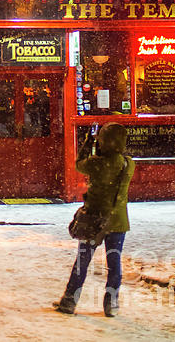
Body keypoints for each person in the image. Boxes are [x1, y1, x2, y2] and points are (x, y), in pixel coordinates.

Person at [54, 123, 136, 317]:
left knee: (83, 262)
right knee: (114, 261)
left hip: (95, 220)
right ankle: (111, 303)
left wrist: (88, 142)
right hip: (118, 220)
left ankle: (69, 301)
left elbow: (79, 163)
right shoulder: (128, 163)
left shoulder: (97, 163)